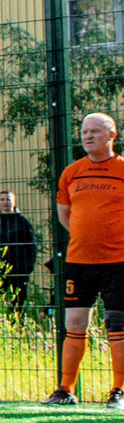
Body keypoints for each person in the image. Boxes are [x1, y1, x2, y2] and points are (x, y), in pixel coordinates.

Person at [50, 112, 124, 407]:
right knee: (75, 323)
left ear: (111, 135)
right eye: (84, 132)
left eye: (95, 131)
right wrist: (88, 238)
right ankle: (65, 390)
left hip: (119, 262)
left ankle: (118, 391)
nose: (88, 136)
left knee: (117, 324)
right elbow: (64, 215)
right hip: (79, 262)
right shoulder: (72, 172)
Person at [0, 189, 37, 309]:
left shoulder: (23, 222)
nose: (5, 202)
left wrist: (27, 268)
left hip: (18, 270)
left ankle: (17, 321)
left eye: (8, 199)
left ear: (14, 201)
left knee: (18, 305)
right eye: (2, 199)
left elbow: (31, 247)